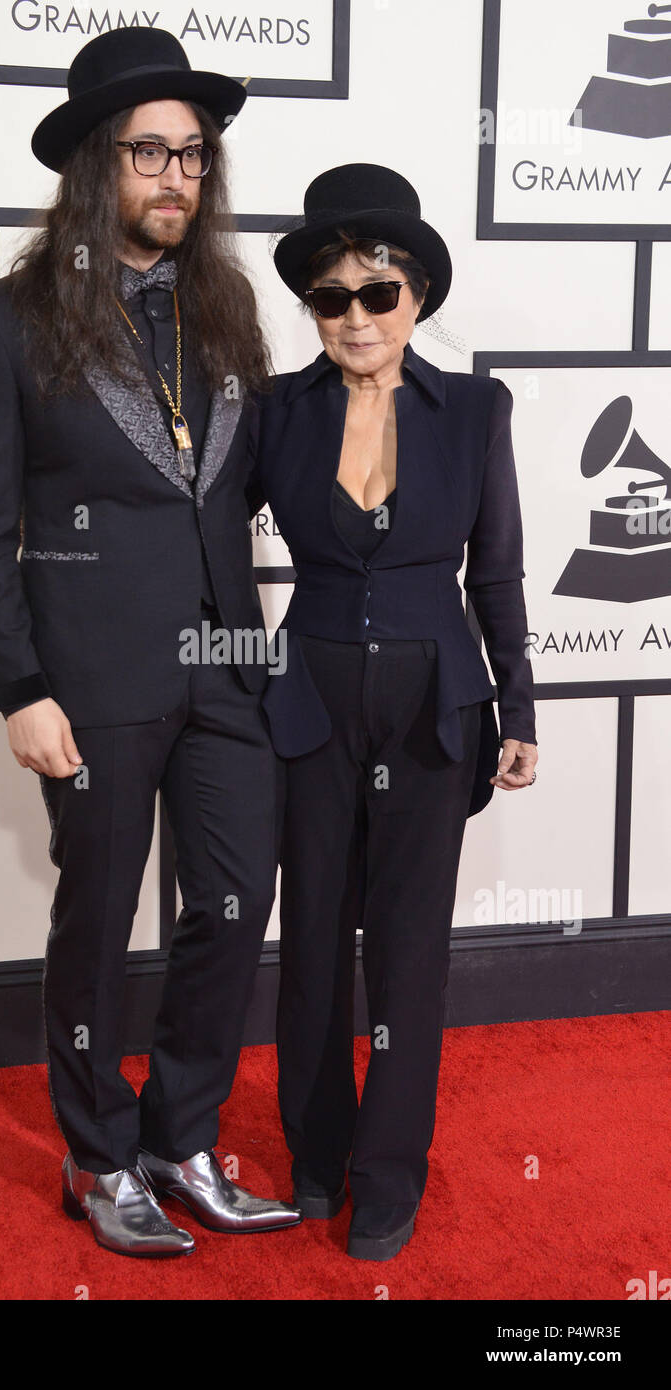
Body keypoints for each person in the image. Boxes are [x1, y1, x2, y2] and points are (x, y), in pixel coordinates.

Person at [0, 27, 301, 1258]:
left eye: (194, 157)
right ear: (99, 164)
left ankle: (177, 1135)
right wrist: (18, 684)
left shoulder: (224, 304)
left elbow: (242, 481)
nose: (176, 179)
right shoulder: (5, 322)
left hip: (226, 666)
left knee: (235, 897)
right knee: (98, 919)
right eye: (151, 152)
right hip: (89, 677)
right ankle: (97, 1159)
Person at [247, 163, 538, 1261]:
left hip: (434, 706)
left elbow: (496, 571)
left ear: (415, 297)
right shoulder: (272, 408)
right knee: (312, 937)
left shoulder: (472, 407)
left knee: (409, 949)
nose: (355, 317)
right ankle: (314, 1156)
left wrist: (518, 704)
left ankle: (386, 1171)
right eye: (331, 296)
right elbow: (204, 550)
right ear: (310, 307)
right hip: (307, 701)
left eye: (377, 293)